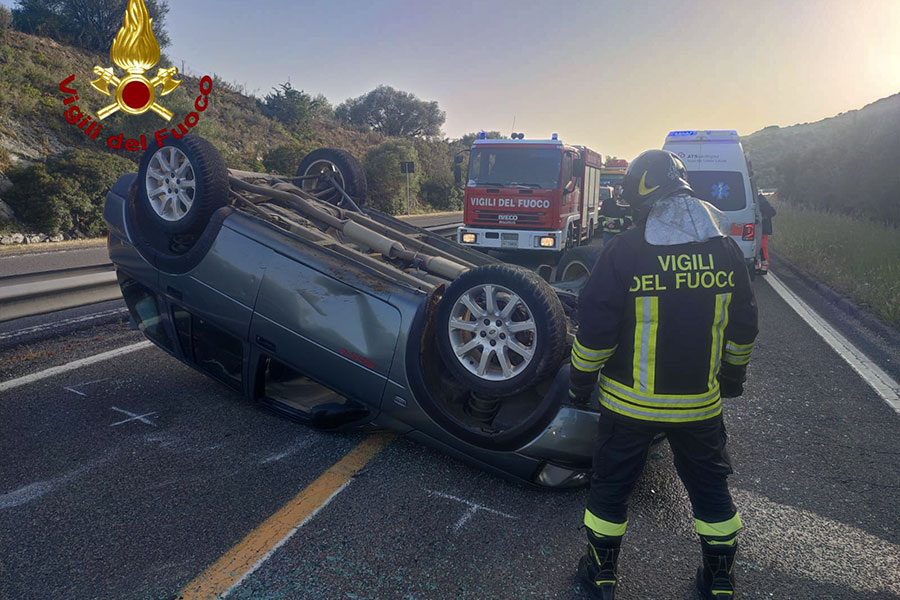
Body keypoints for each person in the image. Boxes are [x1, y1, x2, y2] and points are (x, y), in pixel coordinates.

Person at [568, 150, 758, 599]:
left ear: (642, 195)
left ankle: (600, 575)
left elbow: (596, 332)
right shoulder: (726, 250)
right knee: (711, 493)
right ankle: (719, 580)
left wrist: (579, 382)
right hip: (699, 408)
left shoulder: (624, 250)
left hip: (628, 406)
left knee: (611, 491)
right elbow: (744, 327)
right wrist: (732, 378)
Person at [756, 193, 776, 274]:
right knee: (756, 246)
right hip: (758, 227)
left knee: (762, 246)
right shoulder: (755, 199)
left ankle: (764, 266)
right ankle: (757, 266)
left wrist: (763, 217)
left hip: (763, 228)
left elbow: (772, 212)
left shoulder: (761, 200)